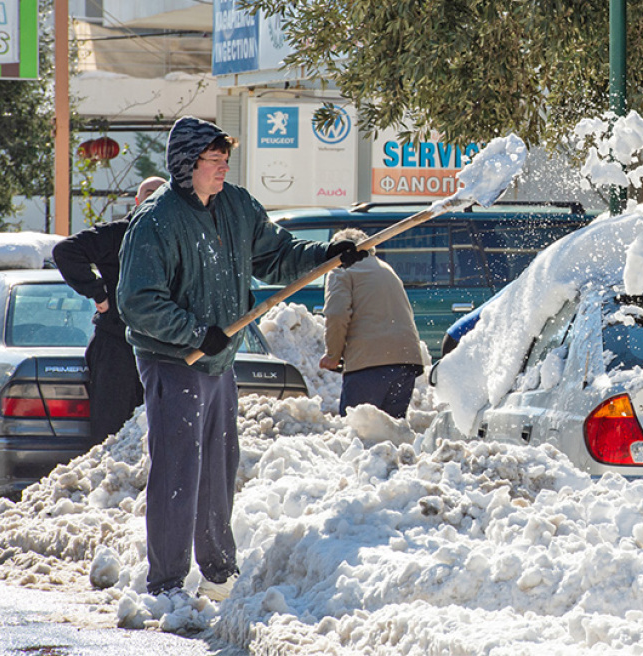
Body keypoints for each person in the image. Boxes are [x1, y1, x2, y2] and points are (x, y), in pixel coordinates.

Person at [117, 116, 367, 600]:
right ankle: (166, 582)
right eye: (213, 161)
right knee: (177, 469)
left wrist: (328, 254)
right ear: (186, 164)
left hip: (218, 360)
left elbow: (276, 255)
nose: (221, 170)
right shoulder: (156, 222)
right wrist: (193, 333)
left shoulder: (236, 206)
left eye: (225, 161)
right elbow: (139, 301)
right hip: (174, 361)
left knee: (218, 466)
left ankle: (218, 572)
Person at [52, 176, 167, 442]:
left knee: (155, 432)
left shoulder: (176, 239)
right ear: (137, 201)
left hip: (161, 347)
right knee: (111, 434)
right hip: (117, 345)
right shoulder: (117, 233)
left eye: (161, 194)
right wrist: (97, 291)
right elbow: (66, 251)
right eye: (148, 193)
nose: (154, 198)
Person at [319, 228, 424, 418]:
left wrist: (333, 355)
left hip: (369, 365)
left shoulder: (342, 269)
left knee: (357, 432)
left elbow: (337, 313)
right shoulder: (386, 269)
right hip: (406, 363)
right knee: (391, 436)